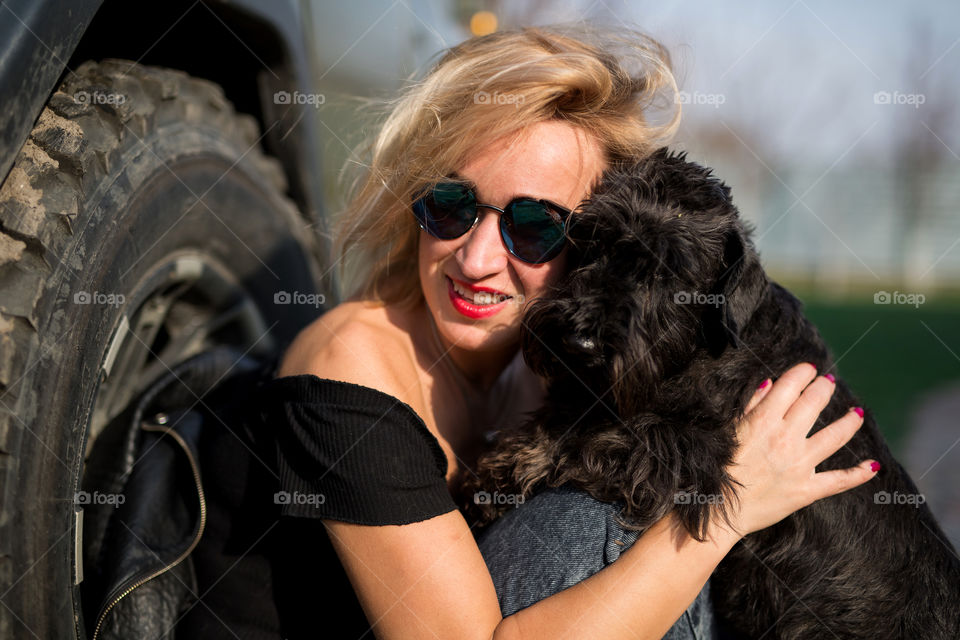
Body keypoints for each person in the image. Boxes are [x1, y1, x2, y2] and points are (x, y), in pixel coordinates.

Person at [181, 23, 880, 639]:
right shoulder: (351, 369)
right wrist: (724, 511)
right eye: (450, 205)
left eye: (535, 225)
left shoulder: (545, 368)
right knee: (596, 528)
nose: (477, 259)